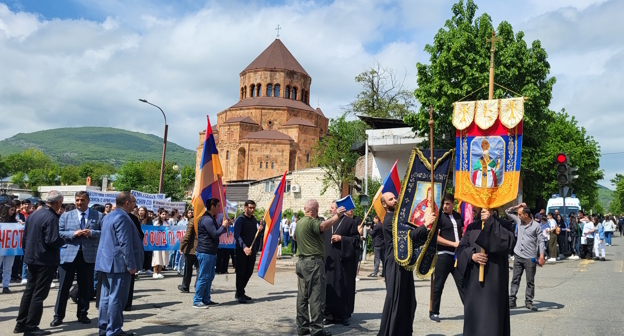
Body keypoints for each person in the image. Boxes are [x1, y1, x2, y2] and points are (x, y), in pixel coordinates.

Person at [378, 192, 433, 336]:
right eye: (391, 199)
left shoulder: (398, 219)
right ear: (384, 204)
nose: (395, 200)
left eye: (395, 197)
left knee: (408, 300)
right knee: (395, 299)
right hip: (394, 263)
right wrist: (425, 224)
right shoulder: (389, 220)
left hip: (404, 262)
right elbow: (406, 238)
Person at [456, 208, 515, 336]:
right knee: (475, 323)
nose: (476, 209)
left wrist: (490, 223)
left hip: (494, 285)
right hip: (474, 285)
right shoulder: (472, 227)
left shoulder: (504, 225)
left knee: (492, 323)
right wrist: (472, 255)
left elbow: (508, 244)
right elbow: (461, 249)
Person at [15, 191, 66, 336]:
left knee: (29, 291)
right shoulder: (51, 217)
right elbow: (52, 240)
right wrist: (64, 240)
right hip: (45, 259)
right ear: (58, 202)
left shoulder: (34, 214)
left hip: (32, 257)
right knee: (39, 293)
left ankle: (21, 323)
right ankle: (31, 326)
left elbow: (25, 237)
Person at [295, 199, 345, 336]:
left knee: (302, 297)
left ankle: (302, 327)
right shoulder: (312, 222)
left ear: (305, 209)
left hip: (301, 262)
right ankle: (317, 329)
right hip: (313, 263)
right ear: (316, 210)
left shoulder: (299, 223)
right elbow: (323, 226)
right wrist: (337, 216)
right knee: (316, 297)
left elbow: (294, 238)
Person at [51, 191, 102, 327]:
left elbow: (103, 232)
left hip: (88, 256)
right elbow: (60, 232)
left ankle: (82, 314)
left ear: (88, 200)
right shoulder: (66, 216)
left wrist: (91, 233)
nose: (79, 203)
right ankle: (58, 316)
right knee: (63, 288)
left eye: (82, 200)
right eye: (77, 200)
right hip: (69, 256)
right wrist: (73, 234)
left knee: (85, 288)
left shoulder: (98, 215)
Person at [95, 191, 143, 336]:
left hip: (106, 262)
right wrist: (131, 265)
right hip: (118, 264)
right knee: (116, 298)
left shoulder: (109, 216)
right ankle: (114, 330)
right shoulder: (123, 218)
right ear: (127, 203)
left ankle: (104, 327)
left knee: (105, 297)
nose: (136, 206)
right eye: (134, 203)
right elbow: (125, 244)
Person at [430, 194, 465, 322]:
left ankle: (470, 309)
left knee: (462, 283)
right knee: (438, 284)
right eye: (443, 204)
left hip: (457, 256)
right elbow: (436, 238)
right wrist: (453, 244)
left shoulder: (457, 216)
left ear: (452, 204)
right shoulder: (439, 217)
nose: (445, 206)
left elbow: (461, 232)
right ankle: (434, 312)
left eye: (448, 204)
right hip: (444, 255)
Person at [323, 204, 359, 325]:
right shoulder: (327, 223)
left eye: (332, 207)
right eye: (331, 207)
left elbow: (356, 240)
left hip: (344, 261)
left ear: (340, 209)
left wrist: (342, 239)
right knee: (329, 287)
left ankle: (344, 315)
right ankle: (329, 315)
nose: (330, 209)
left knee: (343, 286)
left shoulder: (349, 222)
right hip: (329, 260)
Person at [505, 203, 545, 311]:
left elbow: (541, 241)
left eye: (519, 214)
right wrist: (517, 206)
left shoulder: (536, 226)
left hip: (530, 258)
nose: (518, 216)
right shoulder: (519, 221)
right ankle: (512, 300)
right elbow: (507, 212)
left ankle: (529, 301)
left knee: (530, 281)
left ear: (526, 215)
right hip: (518, 255)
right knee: (515, 279)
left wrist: (541, 256)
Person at [193, 198, 231, 308]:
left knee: (210, 276)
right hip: (205, 251)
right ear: (213, 206)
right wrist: (223, 226)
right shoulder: (206, 219)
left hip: (211, 251)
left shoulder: (210, 218)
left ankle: (206, 298)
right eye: (218, 206)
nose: (219, 208)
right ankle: (197, 300)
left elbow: (216, 232)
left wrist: (225, 227)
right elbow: (214, 234)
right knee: (204, 276)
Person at [234, 200, 263, 304]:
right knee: (241, 272)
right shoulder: (240, 219)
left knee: (249, 271)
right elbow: (237, 235)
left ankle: (240, 291)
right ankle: (240, 294)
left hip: (252, 250)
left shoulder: (254, 221)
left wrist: (260, 230)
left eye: (253, 208)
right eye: (250, 208)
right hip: (242, 250)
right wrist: (244, 247)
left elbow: (256, 236)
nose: (252, 210)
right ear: (245, 208)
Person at [179, 210, 198, 293]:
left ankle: (185, 286)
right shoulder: (205, 219)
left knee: (188, 270)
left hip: (190, 249)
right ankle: (198, 287)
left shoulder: (193, 220)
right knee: (199, 270)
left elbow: (187, 235)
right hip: (201, 249)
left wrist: (181, 247)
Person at [0, 204, 17, 293]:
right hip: (1, 247)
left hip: (11, 248)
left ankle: (5, 286)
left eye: (14, 210)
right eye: (11, 210)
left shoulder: (15, 221)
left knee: (8, 268)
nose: (13, 212)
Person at [151, 209, 169, 279]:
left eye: (165, 214)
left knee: (163, 256)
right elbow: (152, 232)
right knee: (156, 257)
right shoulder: (156, 222)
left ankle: (159, 272)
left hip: (164, 242)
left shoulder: (166, 222)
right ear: (159, 214)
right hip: (157, 242)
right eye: (163, 214)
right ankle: (154, 272)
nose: (164, 216)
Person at [136, 206, 153, 275]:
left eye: (142, 210)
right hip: (138, 239)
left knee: (148, 254)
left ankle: (147, 268)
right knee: (139, 254)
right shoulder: (136, 219)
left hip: (147, 239)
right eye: (140, 210)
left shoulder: (148, 220)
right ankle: (139, 268)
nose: (141, 212)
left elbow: (151, 229)